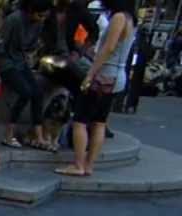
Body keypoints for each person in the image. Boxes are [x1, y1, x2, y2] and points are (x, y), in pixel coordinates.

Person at [55, 0, 134, 177]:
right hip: (116, 75)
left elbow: (109, 47)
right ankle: (89, 165)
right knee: (99, 122)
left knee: (80, 120)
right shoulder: (130, 19)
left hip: (104, 75)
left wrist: (90, 74)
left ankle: (78, 164)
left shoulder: (118, 18)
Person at [0, 0, 58, 152]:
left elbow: (31, 46)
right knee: (25, 92)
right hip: (6, 62)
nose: (42, 19)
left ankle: (38, 135)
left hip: (20, 61)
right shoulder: (14, 19)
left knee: (38, 93)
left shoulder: (38, 23)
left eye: (44, 16)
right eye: (40, 15)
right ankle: (9, 133)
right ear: (31, 10)